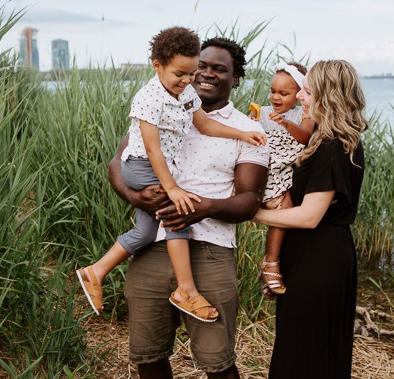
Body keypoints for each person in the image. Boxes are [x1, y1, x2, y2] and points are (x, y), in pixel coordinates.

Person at [76, 27, 266, 322]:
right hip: (142, 165)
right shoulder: (148, 99)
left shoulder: (186, 92)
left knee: (145, 231)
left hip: (169, 183)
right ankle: (186, 290)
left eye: (191, 74)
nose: (190, 80)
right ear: (158, 65)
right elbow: (152, 151)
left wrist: (243, 133)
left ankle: (94, 272)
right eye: (184, 73)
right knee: (177, 212)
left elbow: (204, 125)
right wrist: (173, 189)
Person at [109, 37, 269, 379]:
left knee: (218, 363)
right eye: (201, 66)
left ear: (236, 78)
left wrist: (201, 208)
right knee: (148, 356)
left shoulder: (249, 129)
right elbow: (118, 163)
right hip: (152, 246)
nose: (205, 74)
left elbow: (249, 200)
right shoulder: (159, 106)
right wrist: (137, 198)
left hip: (210, 252)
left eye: (219, 69)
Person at [252, 60, 368, 379]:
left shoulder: (334, 146)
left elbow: (309, 215)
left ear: (326, 96)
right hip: (312, 254)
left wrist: (251, 213)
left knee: (306, 353)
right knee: (304, 346)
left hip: (321, 258)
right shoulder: (326, 139)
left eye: (307, 91)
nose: (301, 97)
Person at [248, 62, 315, 297]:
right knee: (284, 208)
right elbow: (249, 135)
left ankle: (271, 263)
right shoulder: (262, 111)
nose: (276, 97)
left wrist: (286, 123)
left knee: (286, 207)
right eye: (273, 91)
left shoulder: (305, 114)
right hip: (269, 167)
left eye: (283, 93)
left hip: (288, 169)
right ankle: (271, 262)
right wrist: (252, 121)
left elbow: (305, 137)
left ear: (298, 95)